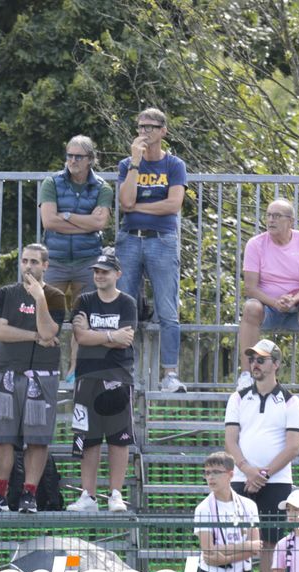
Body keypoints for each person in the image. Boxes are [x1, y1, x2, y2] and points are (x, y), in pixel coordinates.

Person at [0, 244, 66, 513]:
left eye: (34, 262)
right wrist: (34, 337)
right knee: (1, 436)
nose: (28, 266)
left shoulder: (56, 296)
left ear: (45, 265)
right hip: (8, 372)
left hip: (43, 375)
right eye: (25, 261)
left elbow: (49, 332)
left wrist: (40, 299)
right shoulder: (7, 293)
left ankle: (30, 494)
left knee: (37, 439)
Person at [224, 338, 299, 572]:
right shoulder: (237, 397)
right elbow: (230, 440)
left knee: (270, 540)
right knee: (237, 537)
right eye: (252, 359)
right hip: (241, 477)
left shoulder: (292, 402)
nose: (254, 364)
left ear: (276, 364)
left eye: (261, 359)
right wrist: (248, 470)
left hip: (277, 481)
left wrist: (263, 474)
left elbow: (293, 447)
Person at [116, 108, 187, 393]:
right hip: (130, 239)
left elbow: (173, 205)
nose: (144, 131)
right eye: (140, 126)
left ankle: (170, 374)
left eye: (150, 127)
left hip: (162, 240)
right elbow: (125, 203)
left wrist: (139, 208)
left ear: (163, 131)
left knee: (167, 310)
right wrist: (135, 163)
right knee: (124, 307)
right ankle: (125, 371)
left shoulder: (174, 165)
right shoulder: (126, 164)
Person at [66, 249, 136, 513]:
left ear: (117, 274)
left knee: (119, 439)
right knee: (88, 438)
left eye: (105, 271)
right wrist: (110, 336)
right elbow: (80, 337)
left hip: (118, 376)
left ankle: (115, 494)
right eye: (96, 271)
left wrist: (94, 334)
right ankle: (89, 496)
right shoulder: (84, 300)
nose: (99, 275)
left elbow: (125, 340)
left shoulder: (127, 302)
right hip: (87, 377)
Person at [39, 135, 112, 382]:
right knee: (47, 317)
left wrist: (67, 216)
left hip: (88, 261)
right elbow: (49, 221)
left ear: (90, 159)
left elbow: (100, 223)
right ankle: (44, 370)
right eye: (69, 155)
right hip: (56, 260)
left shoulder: (102, 187)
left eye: (78, 157)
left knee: (83, 318)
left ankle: (75, 371)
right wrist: (85, 222)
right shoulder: (51, 182)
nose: (72, 160)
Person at [239, 198, 299, 395]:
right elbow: (250, 288)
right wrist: (275, 302)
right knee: (250, 307)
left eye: (277, 216)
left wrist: (294, 300)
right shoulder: (255, 244)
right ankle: (246, 375)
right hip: (267, 308)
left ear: (291, 221)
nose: (271, 220)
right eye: (268, 215)